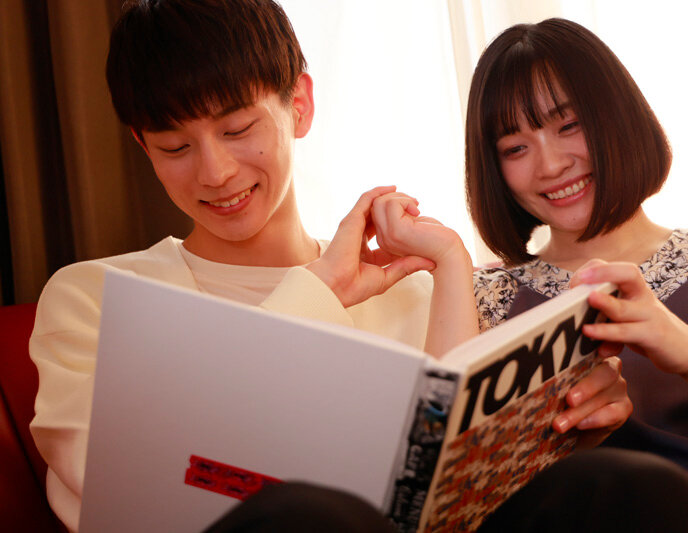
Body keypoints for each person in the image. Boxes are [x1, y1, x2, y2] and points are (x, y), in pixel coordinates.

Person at [28, 3, 629, 532]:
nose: (214, 172)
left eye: (237, 129)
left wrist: (564, 435)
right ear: (143, 145)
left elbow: (463, 493)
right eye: (175, 147)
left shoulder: (409, 292)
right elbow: (126, 486)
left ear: (299, 105)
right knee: (309, 515)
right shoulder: (94, 297)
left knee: (624, 486)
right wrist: (318, 289)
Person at [466, 18, 688, 532]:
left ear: (617, 117)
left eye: (568, 125)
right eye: (515, 148)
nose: (550, 165)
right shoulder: (487, 297)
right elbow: (458, 492)